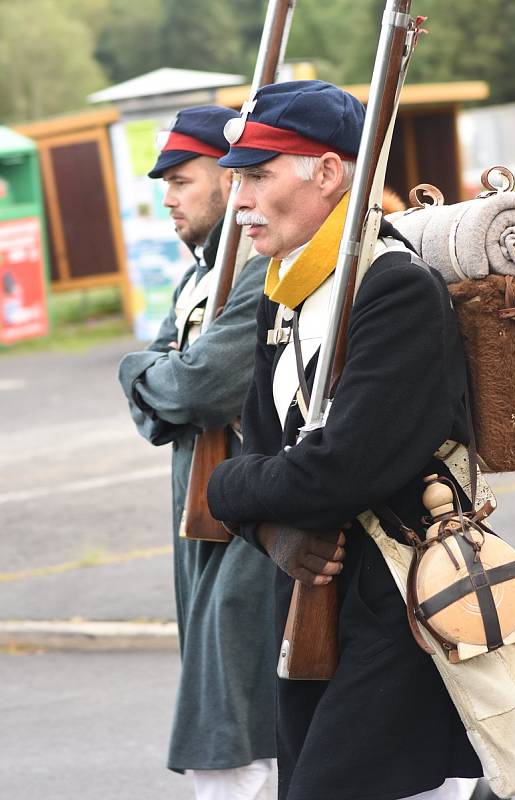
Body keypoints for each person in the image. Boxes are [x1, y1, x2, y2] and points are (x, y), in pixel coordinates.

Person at [207, 81, 484, 800]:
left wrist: (228, 492)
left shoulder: (391, 289)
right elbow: (263, 452)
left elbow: (335, 470)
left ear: (329, 173)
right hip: (314, 605)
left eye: (257, 175)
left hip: (400, 610)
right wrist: (269, 529)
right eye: (236, 177)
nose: (237, 200)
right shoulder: (288, 294)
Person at [118, 106, 277, 800]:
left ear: (228, 175)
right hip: (207, 521)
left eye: (183, 179)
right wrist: (152, 378)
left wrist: (154, 379)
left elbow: (204, 384)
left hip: (249, 517)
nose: (169, 197)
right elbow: (158, 385)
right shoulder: (199, 278)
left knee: (234, 725)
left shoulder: (253, 270)